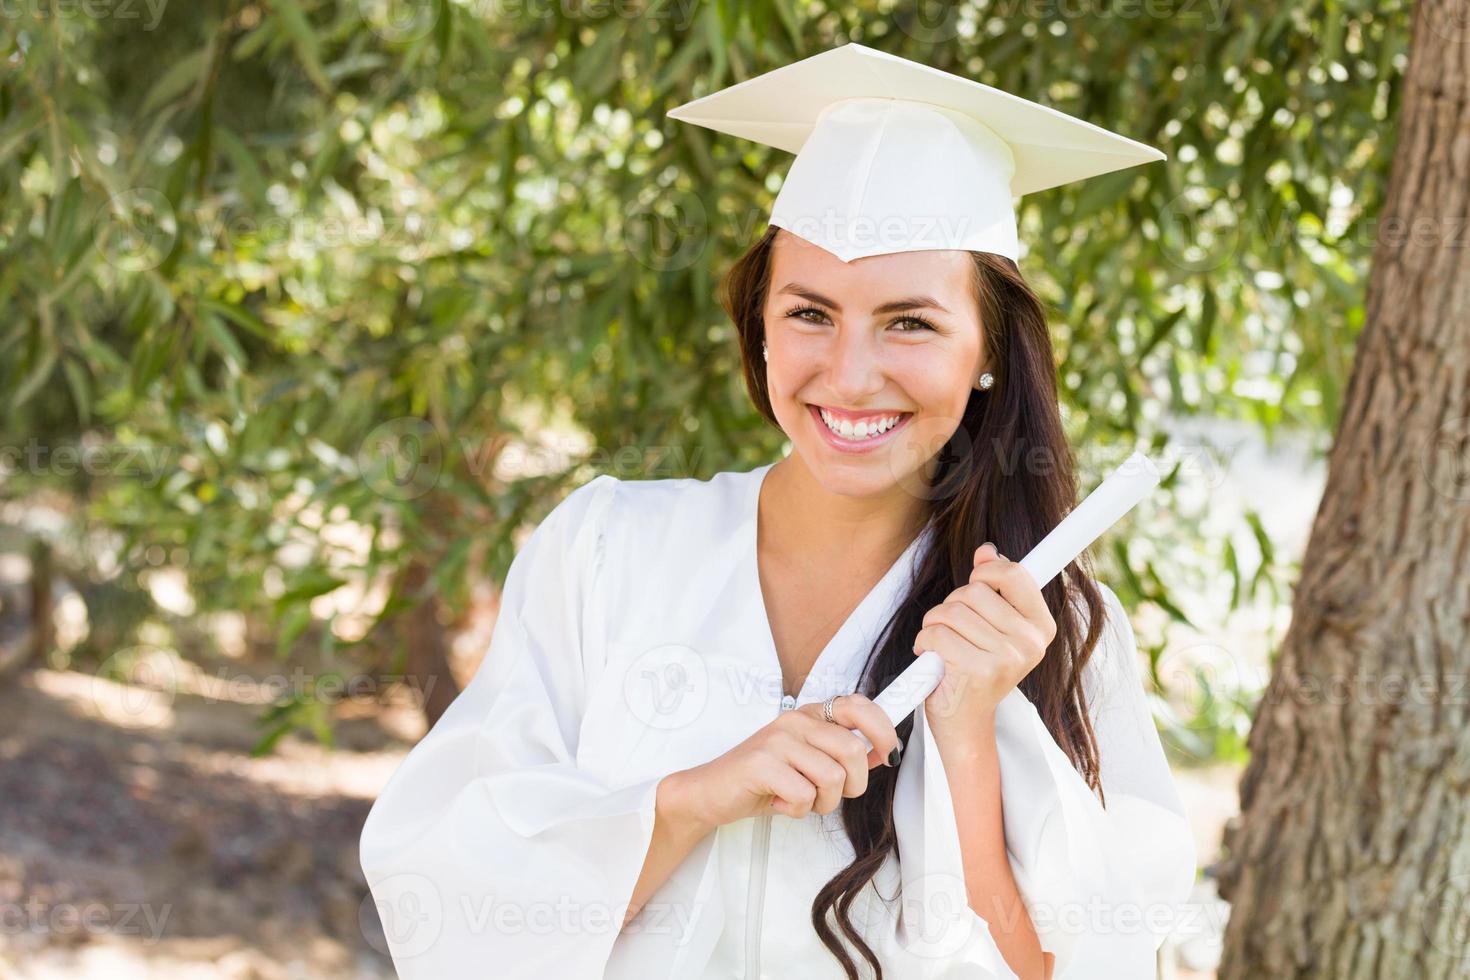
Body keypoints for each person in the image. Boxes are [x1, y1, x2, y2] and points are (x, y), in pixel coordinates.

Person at [360, 41, 1197, 980]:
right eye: (810, 313)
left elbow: (1073, 968)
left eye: (910, 322)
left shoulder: (1049, 630)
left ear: (988, 352)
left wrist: (968, 734)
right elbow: (451, 897)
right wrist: (687, 801)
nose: (848, 373)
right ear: (760, 324)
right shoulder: (606, 552)